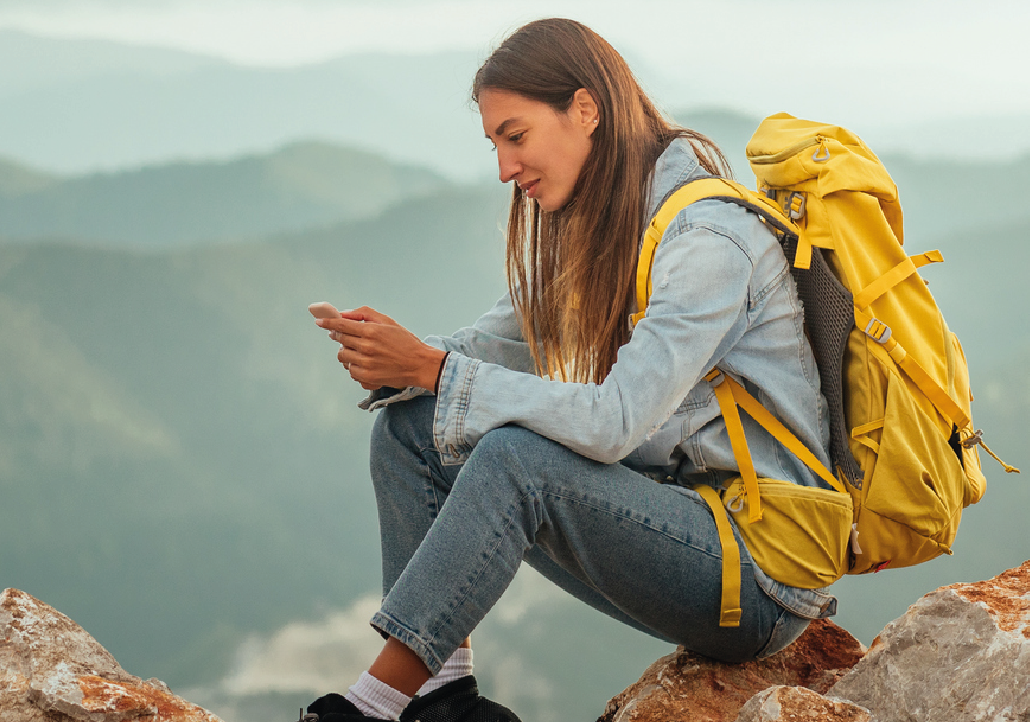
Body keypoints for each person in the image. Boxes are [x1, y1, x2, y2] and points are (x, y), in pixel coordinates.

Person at [305, 17, 838, 722]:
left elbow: (615, 422)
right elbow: (489, 349)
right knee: (410, 428)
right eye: (494, 142)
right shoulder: (611, 224)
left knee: (514, 458)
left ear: (585, 109)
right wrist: (399, 361)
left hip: (758, 576)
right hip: (682, 524)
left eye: (515, 135)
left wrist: (434, 368)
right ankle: (440, 700)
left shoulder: (708, 240)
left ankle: (371, 708)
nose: (502, 167)